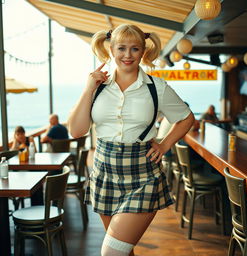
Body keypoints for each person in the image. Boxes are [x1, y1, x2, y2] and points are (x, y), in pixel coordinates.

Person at [67, 24, 194, 256]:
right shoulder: (97, 86)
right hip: (104, 173)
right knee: (123, 251)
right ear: (111, 50)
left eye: (135, 49)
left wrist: (165, 144)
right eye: (121, 48)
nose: (127, 55)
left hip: (143, 175)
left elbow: (186, 118)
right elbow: (76, 131)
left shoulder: (157, 87)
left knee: (112, 252)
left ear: (143, 51)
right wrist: (88, 88)